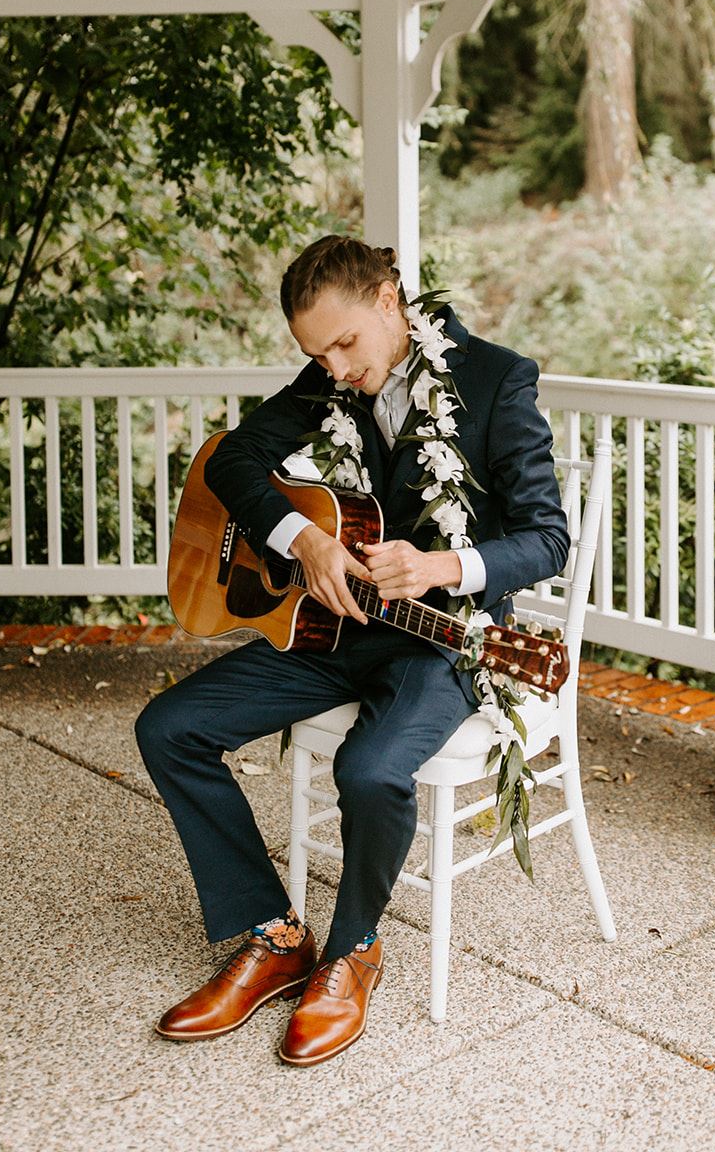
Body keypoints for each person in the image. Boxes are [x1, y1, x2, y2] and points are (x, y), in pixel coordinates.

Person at [136, 235, 569, 1065]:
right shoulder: (323, 383)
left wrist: (442, 563)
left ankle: (352, 950)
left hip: (439, 641)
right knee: (170, 728)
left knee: (369, 769)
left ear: (386, 300)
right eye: (314, 352)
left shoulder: (493, 379)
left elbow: (547, 537)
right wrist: (303, 540)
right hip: (328, 626)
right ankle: (273, 936)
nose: (332, 368)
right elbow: (234, 464)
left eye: (343, 344)